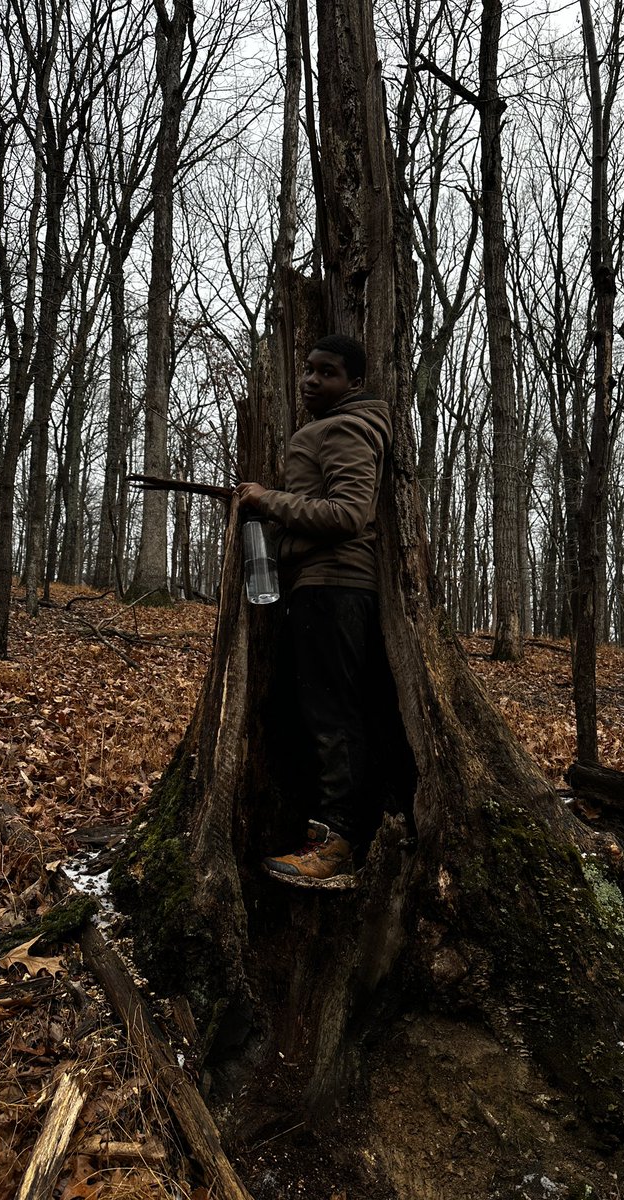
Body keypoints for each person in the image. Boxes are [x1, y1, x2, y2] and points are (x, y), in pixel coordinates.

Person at [235, 334, 392, 884]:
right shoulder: (332, 426)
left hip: (334, 586)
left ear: (354, 383)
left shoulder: (345, 429)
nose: (310, 380)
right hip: (318, 586)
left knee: (332, 716)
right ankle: (336, 833)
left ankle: (335, 845)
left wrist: (267, 500)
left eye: (327, 372)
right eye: (308, 369)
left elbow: (349, 513)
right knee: (317, 712)